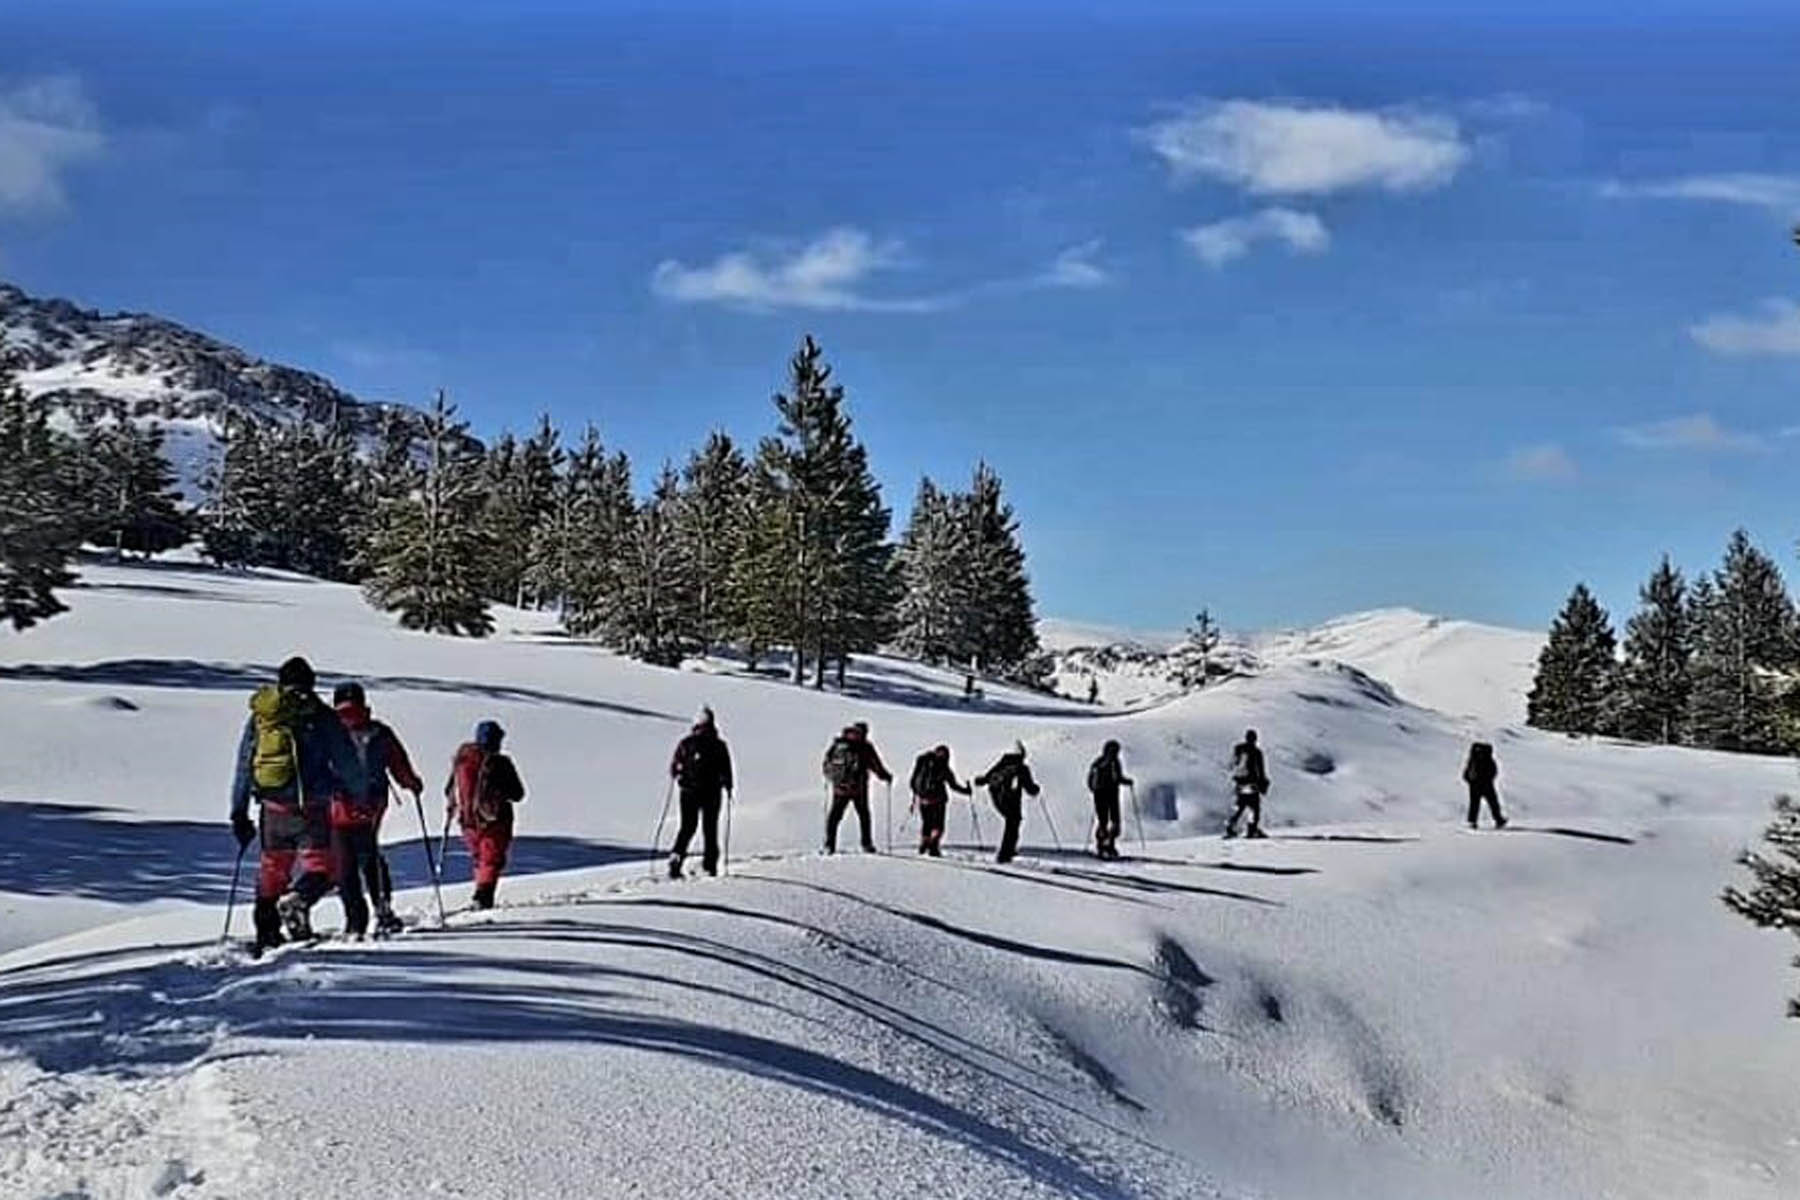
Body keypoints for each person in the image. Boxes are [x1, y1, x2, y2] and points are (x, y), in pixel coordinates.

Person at [228, 655, 366, 952]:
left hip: (272, 808)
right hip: (311, 807)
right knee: (323, 867)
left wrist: (238, 812)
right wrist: (359, 794)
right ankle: (299, 900)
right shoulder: (321, 715)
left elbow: (244, 763)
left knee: (273, 869)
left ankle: (266, 933)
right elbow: (346, 761)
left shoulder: (263, 718)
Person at [330, 681, 424, 939]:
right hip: (372, 804)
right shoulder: (379, 732)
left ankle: (354, 922)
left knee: (344, 863)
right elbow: (398, 763)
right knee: (370, 854)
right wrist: (412, 784)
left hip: (336, 805)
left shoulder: (328, 731)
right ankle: (382, 908)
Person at [445, 720, 526, 910]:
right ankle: (483, 896)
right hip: (495, 820)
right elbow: (518, 793)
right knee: (491, 859)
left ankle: (481, 893)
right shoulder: (500, 763)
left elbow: (449, 789)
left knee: (479, 858)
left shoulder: (462, 759)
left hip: (467, 821)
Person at [669, 706, 734, 878]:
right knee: (710, 829)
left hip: (688, 792)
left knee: (687, 827)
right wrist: (729, 787)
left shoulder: (686, 743)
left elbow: (674, 768)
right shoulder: (719, 745)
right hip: (712, 793)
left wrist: (679, 776)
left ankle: (677, 856)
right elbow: (726, 770)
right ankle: (710, 865)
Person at [822, 721, 891, 854]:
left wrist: (830, 777)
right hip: (859, 788)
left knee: (835, 816)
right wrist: (885, 776)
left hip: (839, 788)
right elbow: (875, 765)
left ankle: (829, 844)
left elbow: (827, 763)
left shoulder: (838, 745)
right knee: (863, 815)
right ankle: (866, 844)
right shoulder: (865, 747)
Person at [975, 741, 1040, 864]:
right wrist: (1036, 789)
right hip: (1012, 800)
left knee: (1011, 822)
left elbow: (987, 777)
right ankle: (1006, 852)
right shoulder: (1021, 768)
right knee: (1013, 823)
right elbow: (1030, 788)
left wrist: (980, 781)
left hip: (997, 798)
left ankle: (1007, 851)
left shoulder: (1002, 763)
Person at [908, 744, 970, 857]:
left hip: (923, 800)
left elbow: (912, 781)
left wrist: (916, 796)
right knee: (938, 825)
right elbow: (953, 785)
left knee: (926, 823)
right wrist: (966, 791)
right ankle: (933, 846)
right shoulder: (944, 768)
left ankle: (924, 844)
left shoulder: (922, 763)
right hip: (938, 800)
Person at [1087, 740, 1134, 859]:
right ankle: (1107, 845)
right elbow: (1117, 778)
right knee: (1111, 821)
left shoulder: (1100, 762)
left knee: (1106, 821)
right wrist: (1126, 781)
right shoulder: (1110, 762)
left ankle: (1104, 845)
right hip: (1110, 795)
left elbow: (1093, 781)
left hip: (1102, 795)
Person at [1225, 729, 1269, 839]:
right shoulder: (1256, 752)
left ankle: (1231, 826)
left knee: (1240, 806)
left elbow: (1232, 765)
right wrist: (1263, 783)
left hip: (1240, 783)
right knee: (1254, 808)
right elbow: (1260, 770)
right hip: (1252, 783)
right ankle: (1252, 829)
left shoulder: (1238, 749)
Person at [1462, 742, 1507, 830]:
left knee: (1475, 804)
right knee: (1493, 803)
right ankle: (1498, 820)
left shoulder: (1473, 759)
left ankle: (1472, 822)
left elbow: (1466, 773)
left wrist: (1470, 781)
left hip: (1475, 785)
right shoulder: (1488, 759)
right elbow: (1493, 771)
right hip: (1486, 784)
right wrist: (1488, 779)